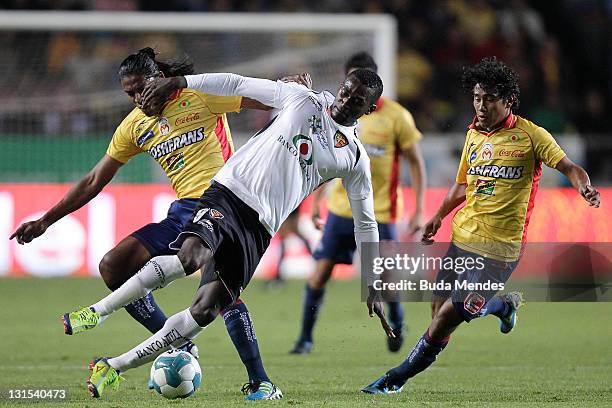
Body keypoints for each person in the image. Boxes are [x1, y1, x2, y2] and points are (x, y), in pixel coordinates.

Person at [61, 67, 394, 399]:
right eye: (345, 90)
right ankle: (97, 312)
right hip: (229, 193)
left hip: (260, 228)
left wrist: (373, 284)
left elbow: (365, 223)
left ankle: (114, 366)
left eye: (357, 100)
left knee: (205, 310)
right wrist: (180, 82)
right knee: (191, 256)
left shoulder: (353, 158)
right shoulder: (302, 99)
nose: (346, 100)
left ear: (370, 108)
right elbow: (236, 83)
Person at [10, 48, 282, 401]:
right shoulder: (135, 125)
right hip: (184, 212)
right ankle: (177, 344)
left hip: (224, 204)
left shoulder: (200, 95)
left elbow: (264, 99)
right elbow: (94, 180)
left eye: (142, 88)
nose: (138, 99)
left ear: (160, 79)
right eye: (129, 94)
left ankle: (260, 380)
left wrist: (290, 90)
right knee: (113, 266)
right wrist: (45, 220)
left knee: (221, 294)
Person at [362, 57, 600, 394]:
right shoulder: (473, 135)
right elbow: (462, 184)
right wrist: (439, 215)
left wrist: (583, 186)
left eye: (489, 99)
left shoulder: (532, 136)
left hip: (500, 250)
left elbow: (570, 167)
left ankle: (393, 380)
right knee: (437, 314)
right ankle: (503, 305)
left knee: (449, 316)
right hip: (462, 238)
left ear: (508, 100)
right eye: (476, 98)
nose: (481, 105)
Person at [291, 52, 427, 355]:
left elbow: (416, 163)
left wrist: (418, 208)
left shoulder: (397, 117)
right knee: (320, 273)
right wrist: (316, 203)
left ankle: (397, 324)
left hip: (382, 211)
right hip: (341, 208)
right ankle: (305, 338)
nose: (353, 95)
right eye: (350, 84)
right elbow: (327, 159)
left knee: (386, 279)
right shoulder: (334, 112)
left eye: (363, 89)